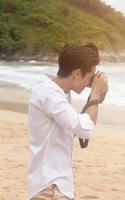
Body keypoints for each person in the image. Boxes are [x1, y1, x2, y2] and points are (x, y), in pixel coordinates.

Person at [28, 43, 108, 200]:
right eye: (89, 76)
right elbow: (84, 129)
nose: (89, 82)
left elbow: (80, 124)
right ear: (77, 73)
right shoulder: (50, 95)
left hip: (54, 185)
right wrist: (95, 92)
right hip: (50, 188)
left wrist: (96, 91)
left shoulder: (58, 90)